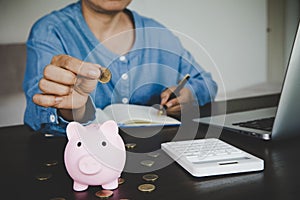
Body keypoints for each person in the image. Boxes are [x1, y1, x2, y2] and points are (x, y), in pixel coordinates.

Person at [23, 0, 218, 135]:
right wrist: (73, 110)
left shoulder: (159, 34)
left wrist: (190, 96)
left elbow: (207, 83)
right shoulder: (49, 31)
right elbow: (38, 113)